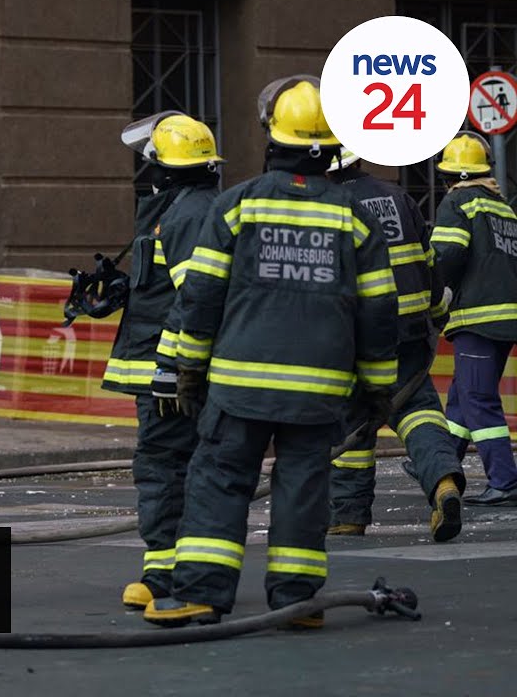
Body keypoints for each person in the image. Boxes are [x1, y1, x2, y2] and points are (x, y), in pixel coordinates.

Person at [143, 75, 398, 628]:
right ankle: (296, 602)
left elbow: (201, 296)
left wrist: (189, 367)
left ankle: (201, 594)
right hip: (319, 391)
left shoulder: (237, 206)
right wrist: (379, 387)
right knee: (304, 488)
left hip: (239, 385)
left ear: (271, 137)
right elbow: (379, 313)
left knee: (219, 480)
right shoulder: (356, 219)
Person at [102, 112, 223, 610]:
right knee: (182, 466)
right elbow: (167, 287)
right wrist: (118, 290)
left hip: (171, 373)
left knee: (164, 466)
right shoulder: (179, 209)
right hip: (169, 369)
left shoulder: (187, 215)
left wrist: (173, 367)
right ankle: (177, 569)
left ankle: (165, 574)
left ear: (166, 169)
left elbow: (196, 297)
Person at [326, 147, 465, 539]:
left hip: (357, 336)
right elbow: (428, 263)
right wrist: (437, 312)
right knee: (418, 411)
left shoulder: (330, 204)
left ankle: (348, 516)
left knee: (352, 420)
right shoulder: (398, 196)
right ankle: (443, 483)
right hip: (410, 333)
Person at [431, 131, 517, 506]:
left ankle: (505, 480)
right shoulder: (503, 207)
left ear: (453, 176)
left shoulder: (458, 202)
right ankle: (439, 464)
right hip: (506, 318)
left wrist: (434, 294)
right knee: (462, 397)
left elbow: (447, 254)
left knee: (478, 399)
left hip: (477, 318)